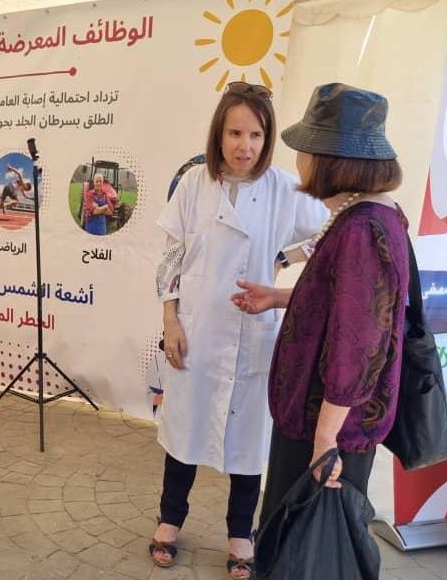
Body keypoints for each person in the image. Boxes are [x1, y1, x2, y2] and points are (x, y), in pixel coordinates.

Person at [152, 81, 328, 579]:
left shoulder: (283, 188)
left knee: (250, 442)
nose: (244, 146)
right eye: (234, 133)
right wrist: (170, 319)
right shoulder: (193, 183)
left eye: (255, 135)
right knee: (184, 430)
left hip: (255, 333)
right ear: (218, 134)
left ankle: (239, 534)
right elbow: (170, 257)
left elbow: (331, 227)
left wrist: (284, 258)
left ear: (267, 139)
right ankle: (169, 520)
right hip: (197, 330)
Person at [232, 83, 409, 563]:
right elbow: (347, 305)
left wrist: (326, 440)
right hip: (321, 421)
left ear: (331, 159)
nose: (300, 160)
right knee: (300, 547)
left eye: (307, 149)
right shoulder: (370, 216)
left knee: (302, 552)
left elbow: (358, 342)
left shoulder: (362, 229)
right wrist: (278, 297)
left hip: (325, 425)